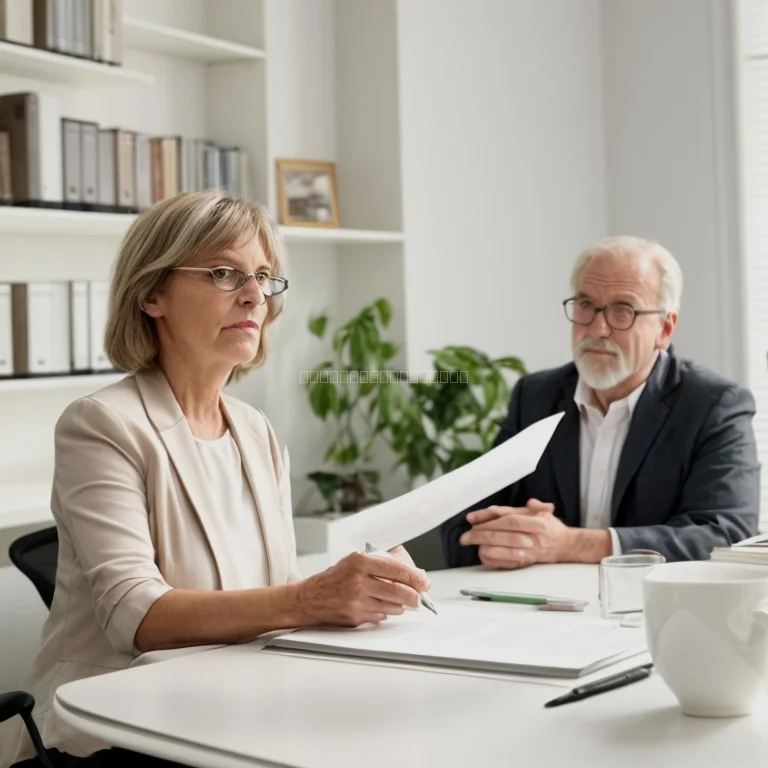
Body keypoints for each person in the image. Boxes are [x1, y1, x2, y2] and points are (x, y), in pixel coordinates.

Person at [0, 191, 430, 768]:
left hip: (236, 713)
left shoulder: (255, 431)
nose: (254, 294)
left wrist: (360, 593)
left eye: (263, 276)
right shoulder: (101, 424)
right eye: (225, 273)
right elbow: (139, 617)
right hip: (115, 735)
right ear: (152, 293)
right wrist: (311, 599)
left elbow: (281, 593)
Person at [442, 236, 760, 569]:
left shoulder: (714, 406)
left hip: (654, 612)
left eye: (623, 310)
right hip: (545, 608)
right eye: (585, 304)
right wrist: (510, 539)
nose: (598, 327)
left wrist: (570, 544)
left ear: (665, 328)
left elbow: (726, 536)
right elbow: (464, 524)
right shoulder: (535, 397)